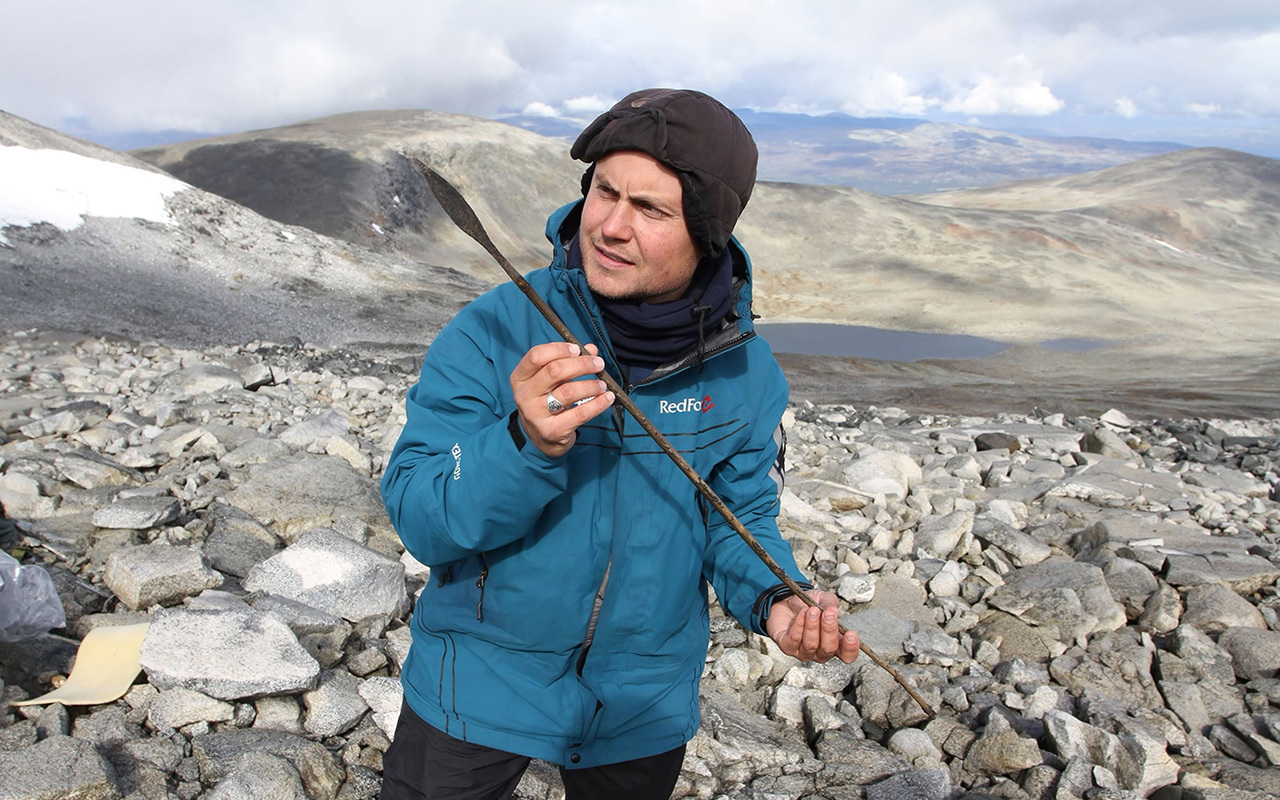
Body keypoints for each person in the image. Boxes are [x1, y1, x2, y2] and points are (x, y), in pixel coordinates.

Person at [379, 88, 860, 800]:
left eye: (651, 210)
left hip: (641, 704)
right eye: (605, 192)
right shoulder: (496, 329)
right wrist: (523, 443)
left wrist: (774, 597)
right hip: (475, 683)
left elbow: (735, 521)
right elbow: (419, 516)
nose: (610, 226)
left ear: (706, 231)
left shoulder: (744, 373)